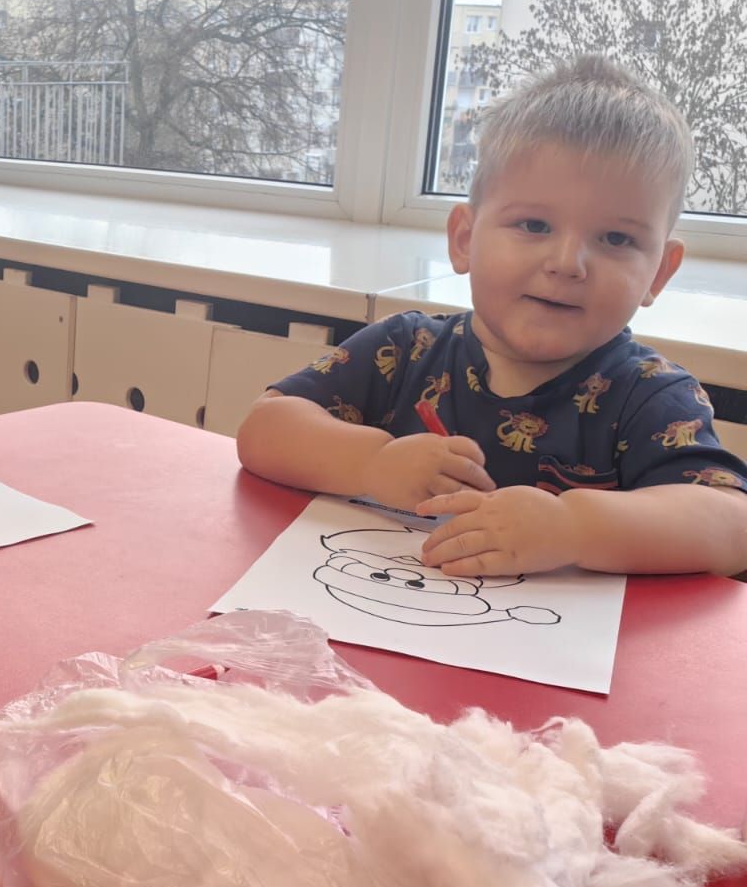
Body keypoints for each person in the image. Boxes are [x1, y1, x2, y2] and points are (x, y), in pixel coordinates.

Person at [237, 56, 747, 577]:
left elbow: (732, 524)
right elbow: (264, 429)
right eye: (534, 225)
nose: (567, 263)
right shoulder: (403, 349)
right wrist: (371, 463)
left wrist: (574, 528)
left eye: (616, 238)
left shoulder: (651, 395)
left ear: (659, 272)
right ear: (465, 239)